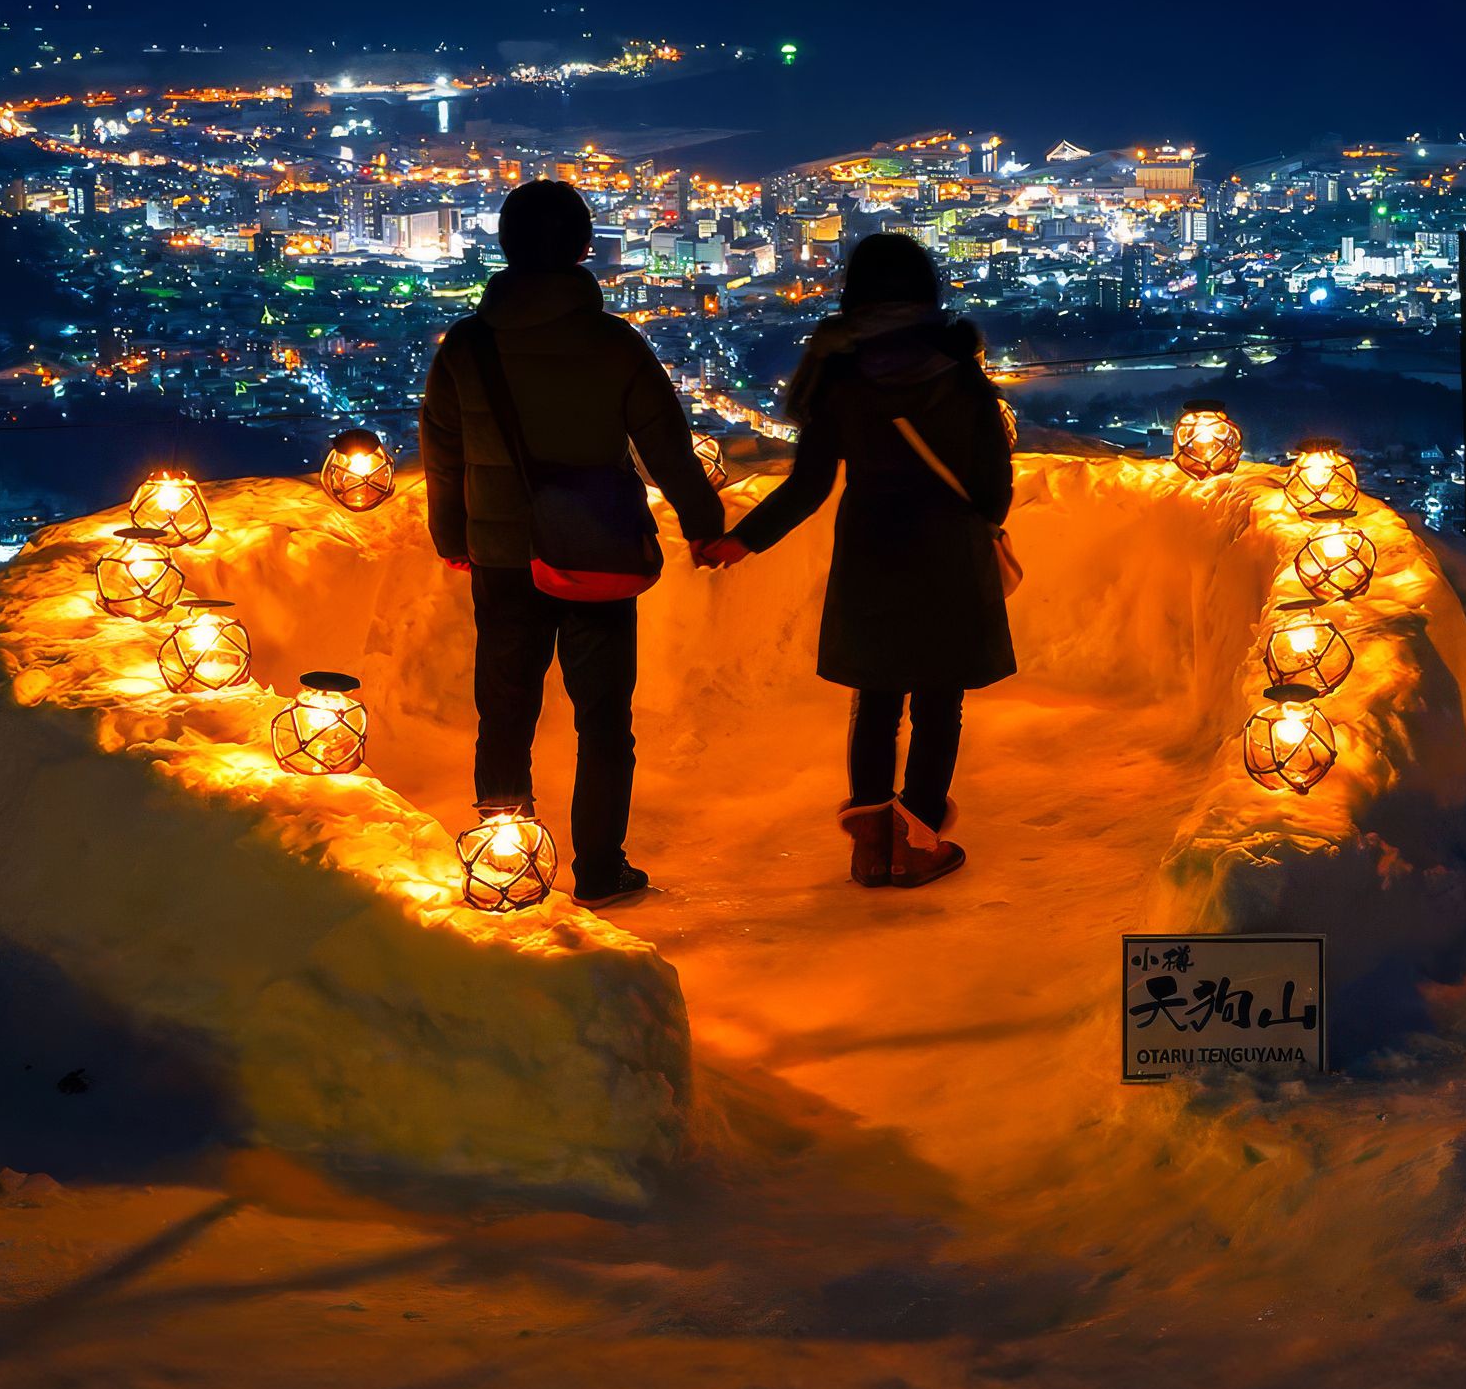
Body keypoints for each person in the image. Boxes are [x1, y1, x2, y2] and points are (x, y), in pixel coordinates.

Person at [419, 180, 728, 907]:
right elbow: (667, 447)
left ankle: (506, 864)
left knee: (505, 709)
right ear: (587, 248)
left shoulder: (468, 345)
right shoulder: (613, 344)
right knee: (603, 718)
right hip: (596, 546)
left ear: (504, 246)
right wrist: (704, 524)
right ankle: (599, 868)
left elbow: (442, 451)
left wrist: (453, 534)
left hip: (501, 554)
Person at [710, 231, 1017, 888]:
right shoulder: (960, 371)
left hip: (872, 548)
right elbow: (994, 486)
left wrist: (743, 539)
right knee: (939, 701)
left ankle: (871, 849)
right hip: (948, 552)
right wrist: (979, 524)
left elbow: (809, 486)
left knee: (877, 698)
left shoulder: (839, 376)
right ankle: (917, 844)